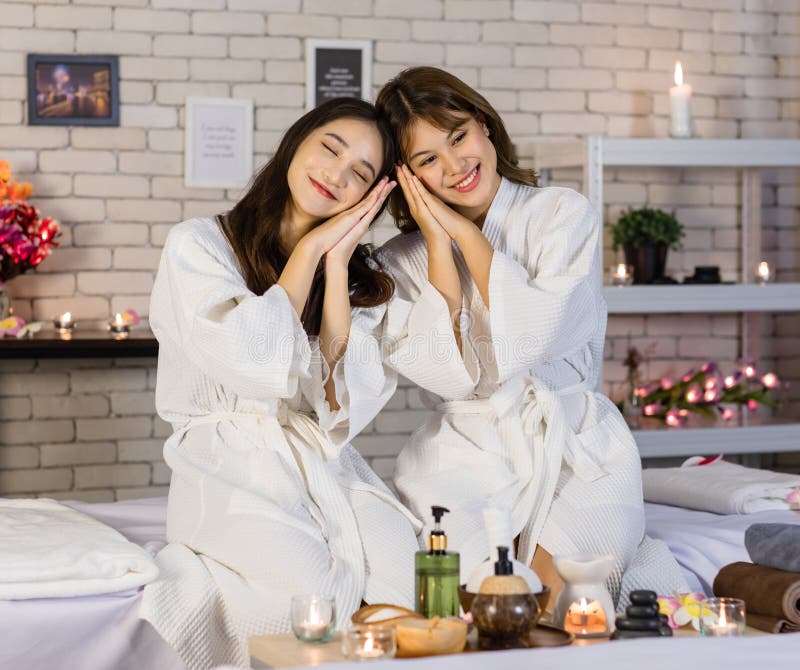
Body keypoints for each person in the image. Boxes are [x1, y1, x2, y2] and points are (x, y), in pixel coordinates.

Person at [375, 67, 688, 608]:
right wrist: (436, 247)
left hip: (577, 445)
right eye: (427, 160)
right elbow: (450, 372)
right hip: (461, 453)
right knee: (476, 600)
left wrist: (466, 236)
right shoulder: (400, 262)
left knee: (562, 596)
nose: (455, 166)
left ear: (485, 126)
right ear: (406, 176)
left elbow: (538, 335)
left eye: (459, 137)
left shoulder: (561, 215)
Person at [140, 98, 421, 670]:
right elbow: (249, 355)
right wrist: (312, 248)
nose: (335, 176)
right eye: (330, 149)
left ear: (371, 198)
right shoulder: (199, 244)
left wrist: (338, 266)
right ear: (298, 141)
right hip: (227, 463)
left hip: (319, 461)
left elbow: (339, 402)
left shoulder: (360, 277)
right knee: (306, 597)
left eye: (360, 175)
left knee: (403, 571)